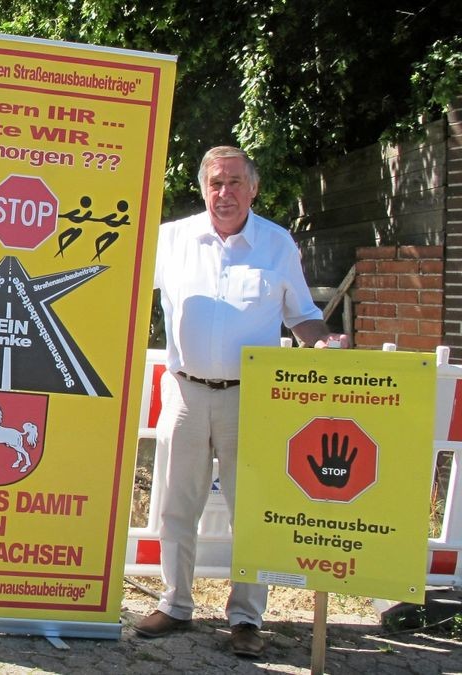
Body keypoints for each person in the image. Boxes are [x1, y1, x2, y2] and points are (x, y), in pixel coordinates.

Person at [137, 146, 351, 657]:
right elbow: (125, 285)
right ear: (202, 188)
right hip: (185, 391)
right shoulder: (172, 239)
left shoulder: (277, 244)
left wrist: (320, 341)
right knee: (175, 505)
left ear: (253, 188)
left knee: (251, 512)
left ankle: (246, 619)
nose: (224, 193)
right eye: (215, 183)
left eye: (235, 182)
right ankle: (176, 603)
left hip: (251, 398)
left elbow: (301, 313)